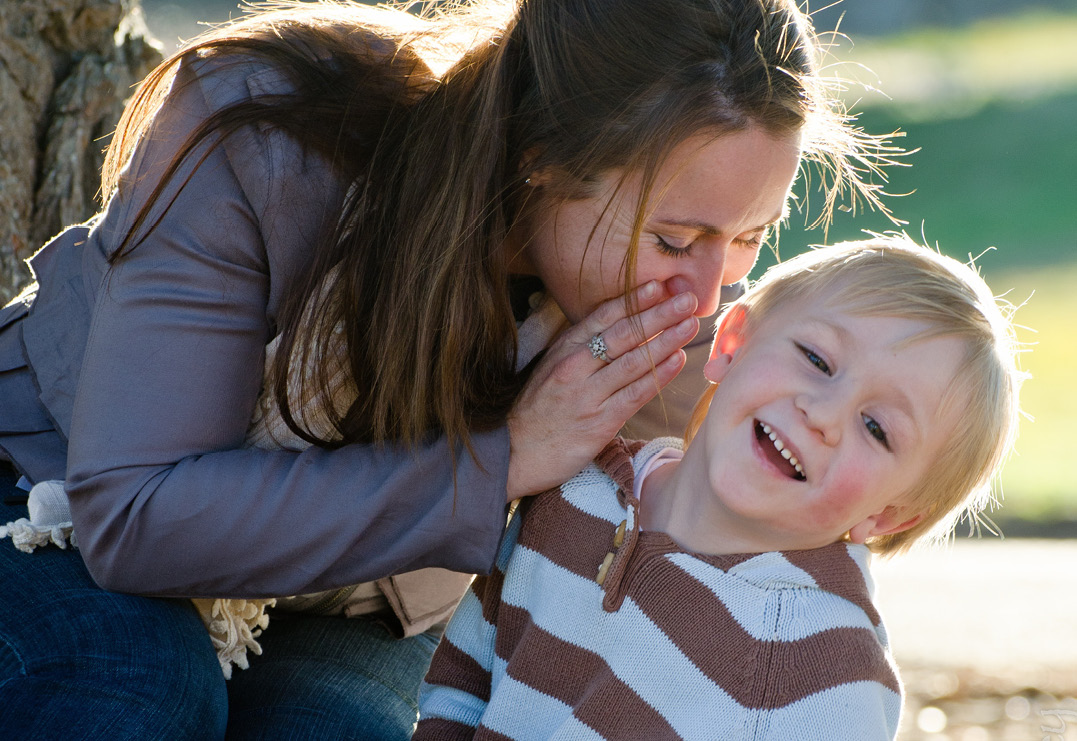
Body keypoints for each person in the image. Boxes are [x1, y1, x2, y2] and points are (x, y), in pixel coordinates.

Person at [0, 0, 892, 736]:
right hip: (51, 497)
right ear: (540, 156)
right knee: (134, 684)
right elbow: (135, 515)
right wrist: (502, 459)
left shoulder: (678, 317)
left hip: (354, 604)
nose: (704, 296)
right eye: (673, 238)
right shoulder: (270, 131)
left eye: (747, 239)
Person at [413, 236, 1024, 741]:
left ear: (887, 516)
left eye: (876, 427)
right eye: (816, 359)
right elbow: (465, 679)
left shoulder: (825, 673)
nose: (823, 414)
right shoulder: (578, 489)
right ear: (731, 345)